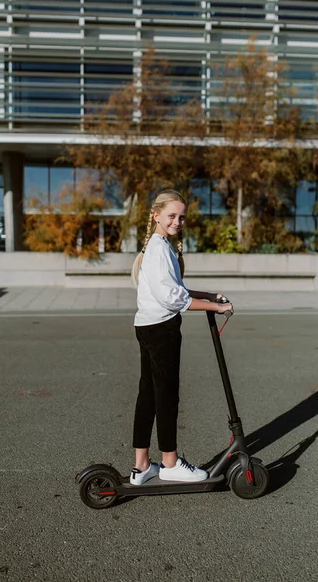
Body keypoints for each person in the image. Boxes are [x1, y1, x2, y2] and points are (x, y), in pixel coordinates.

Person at [130, 189, 233, 485]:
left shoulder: (159, 246)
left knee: (148, 395)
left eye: (182, 217)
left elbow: (178, 288)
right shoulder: (159, 249)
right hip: (161, 329)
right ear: (156, 215)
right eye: (172, 215)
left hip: (149, 326)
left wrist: (209, 295)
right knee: (167, 397)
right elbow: (172, 298)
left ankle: (141, 466)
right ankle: (170, 463)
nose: (178, 221)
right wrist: (214, 306)